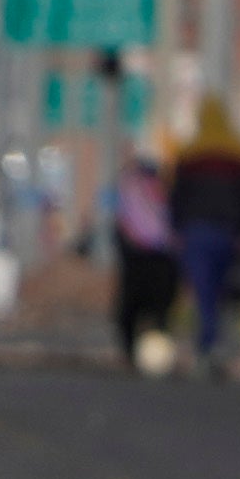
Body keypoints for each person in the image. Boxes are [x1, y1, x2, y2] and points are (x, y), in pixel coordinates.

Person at [165, 107, 240, 361]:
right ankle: (216, 340)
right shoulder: (239, 154)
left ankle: (208, 342)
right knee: (221, 288)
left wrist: (176, 228)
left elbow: (177, 197)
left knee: (203, 289)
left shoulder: (189, 154)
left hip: (196, 232)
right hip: (227, 233)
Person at [106, 145, 182, 364]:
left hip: (137, 259)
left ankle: (132, 353)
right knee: (160, 311)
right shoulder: (163, 191)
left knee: (131, 308)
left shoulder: (129, 189)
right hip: (161, 259)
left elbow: (123, 227)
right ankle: (153, 355)